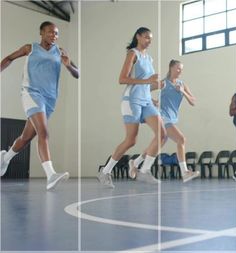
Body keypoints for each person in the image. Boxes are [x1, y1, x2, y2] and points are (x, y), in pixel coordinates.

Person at [0, 21, 79, 190]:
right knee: (44, 132)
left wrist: (68, 65)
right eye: (50, 32)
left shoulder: (61, 52)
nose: (54, 36)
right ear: (41, 33)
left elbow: (77, 74)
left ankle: (4, 159)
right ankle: (51, 175)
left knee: (26, 137)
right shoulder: (30, 48)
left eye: (56, 33)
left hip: (50, 99)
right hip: (31, 92)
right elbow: (9, 58)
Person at [97, 27, 164, 188]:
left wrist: (155, 90)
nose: (149, 40)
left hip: (146, 101)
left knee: (162, 134)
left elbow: (146, 84)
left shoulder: (149, 58)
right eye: (147, 37)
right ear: (138, 37)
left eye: (151, 38)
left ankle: (144, 170)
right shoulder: (132, 54)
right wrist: (148, 81)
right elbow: (122, 79)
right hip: (131, 100)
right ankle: (105, 171)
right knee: (131, 140)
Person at [129, 60, 199, 183]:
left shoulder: (182, 84)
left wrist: (183, 92)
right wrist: (153, 102)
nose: (180, 71)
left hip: (172, 118)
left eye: (181, 69)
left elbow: (193, 102)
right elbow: (143, 91)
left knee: (158, 143)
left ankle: (135, 162)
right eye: (178, 68)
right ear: (171, 68)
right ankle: (185, 172)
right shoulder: (164, 83)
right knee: (181, 139)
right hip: (162, 116)